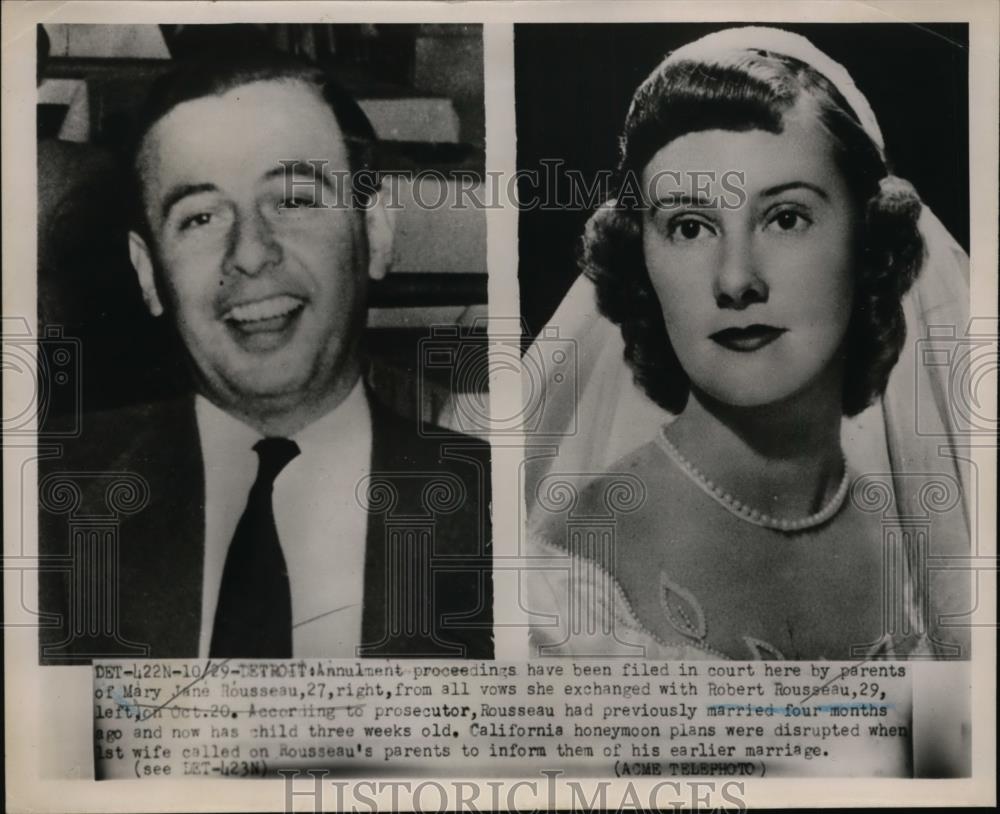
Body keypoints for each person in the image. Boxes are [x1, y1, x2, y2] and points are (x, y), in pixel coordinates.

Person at [525, 27, 970, 662]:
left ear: (869, 243)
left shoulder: (925, 534)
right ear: (642, 260)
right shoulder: (571, 570)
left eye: (786, 218)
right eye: (689, 226)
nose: (736, 280)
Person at [39, 52, 493, 662]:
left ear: (376, 233)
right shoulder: (43, 504)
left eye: (294, 200)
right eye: (199, 217)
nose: (249, 253)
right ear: (148, 274)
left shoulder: (507, 514)